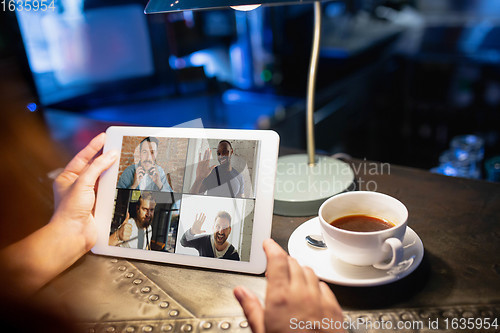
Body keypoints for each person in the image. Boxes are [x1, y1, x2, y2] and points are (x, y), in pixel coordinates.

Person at [0, 133, 344, 332]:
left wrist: (67, 232)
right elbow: (192, 193)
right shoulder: (133, 179)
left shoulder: (234, 183)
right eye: (145, 152)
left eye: (226, 154)